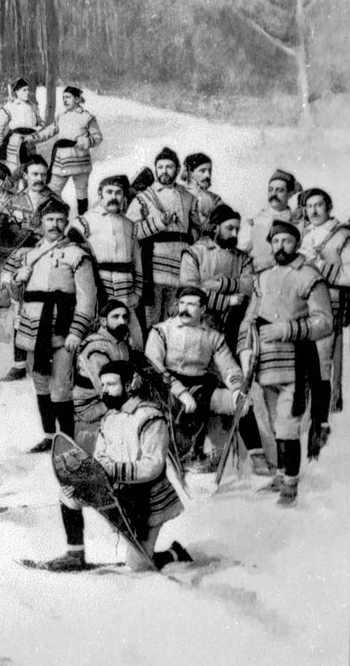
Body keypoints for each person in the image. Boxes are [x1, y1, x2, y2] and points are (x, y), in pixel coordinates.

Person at [39, 359, 187, 573]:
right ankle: (74, 555)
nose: (105, 390)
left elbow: (152, 466)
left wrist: (113, 470)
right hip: (116, 492)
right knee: (68, 495)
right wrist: (82, 482)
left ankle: (174, 553)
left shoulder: (151, 417)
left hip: (147, 499)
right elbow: (100, 458)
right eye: (103, 385)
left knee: (138, 567)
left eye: (111, 384)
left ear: (128, 385)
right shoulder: (109, 418)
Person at [238, 221, 333, 505]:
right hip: (266, 362)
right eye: (276, 241)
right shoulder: (262, 277)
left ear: (297, 243)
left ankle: (291, 484)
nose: (280, 246)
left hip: (296, 362)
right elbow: (249, 319)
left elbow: (324, 322)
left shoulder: (309, 276)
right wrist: (245, 350)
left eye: (287, 241)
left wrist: (286, 330)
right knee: (272, 422)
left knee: (288, 424)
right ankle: (280, 475)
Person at [4, 195, 98, 452]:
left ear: (66, 222)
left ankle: (67, 441)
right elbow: (17, 298)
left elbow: (87, 299)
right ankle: (48, 435)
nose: (54, 224)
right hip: (33, 330)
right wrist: (17, 280)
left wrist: (76, 331)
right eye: (49, 219)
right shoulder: (30, 256)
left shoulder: (77, 255)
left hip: (62, 329)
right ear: (41, 222)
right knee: (40, 383)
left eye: (59, 219)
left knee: (60, 388)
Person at [145, 286, 264, 472]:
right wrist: (181, 393)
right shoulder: (161, 331)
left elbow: (229, 368)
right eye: (182, 303)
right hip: (167, 390)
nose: (184, 309)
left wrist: (236, 390)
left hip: (201, 388)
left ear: (203, 309)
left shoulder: (213, 337)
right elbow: (155, 368)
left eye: (192, 305)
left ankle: (258, 457)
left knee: (242, 403)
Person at [129, 147, 200, 326]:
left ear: (177, 169)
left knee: (172, 323)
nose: (164, 171)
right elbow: (131, 231)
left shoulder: (189, 198)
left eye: (169, 167)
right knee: (151, 322)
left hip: (179, 268)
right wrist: (159, 223)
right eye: (160, 167)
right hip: (152, 268)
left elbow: (196, 229)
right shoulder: (144, 198)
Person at [69, 175, 143, 345]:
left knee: (135, 341)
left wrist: (138, 292)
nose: (113, 197)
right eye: (109, 192)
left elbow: (137, 261)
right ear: (100, 194)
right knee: (98, 340)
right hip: (100, 289)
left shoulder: (130, 225)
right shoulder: (85, 221)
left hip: (126, 293)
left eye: (118, 193)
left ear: (124, 196)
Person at [300, 188, 349, 413]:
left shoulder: (342, 236)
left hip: (331, 307)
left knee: (324, 364)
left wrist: (319, 265)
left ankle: (323, 418)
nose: (314, 211)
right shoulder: (304, 234)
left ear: (328, 207)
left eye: (318, 205)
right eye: (309, 206)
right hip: (304, 308)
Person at [178, 205, 254, 347]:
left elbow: (249, 285)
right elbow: (189, 291)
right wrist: (227, 300)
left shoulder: (243, 258)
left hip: (232, 325)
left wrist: (219, 284)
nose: (234, 234)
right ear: (215, 228)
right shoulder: (194, 253)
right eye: (230, 228)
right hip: (199, 324)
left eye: (237, 229)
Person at [71, 301, 135, 445]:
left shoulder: (121, 343)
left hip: (113, 397)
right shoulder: (96, 347)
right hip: (92, 406)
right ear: (103, 321)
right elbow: (106, 390)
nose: (122, 321)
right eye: (116, 317)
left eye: (125, 317)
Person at [37, 85, 103, 214]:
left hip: (80, 160)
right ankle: (53, 216)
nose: (65, 100)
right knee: (52, 190)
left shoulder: (86, 117)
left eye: (68, 97)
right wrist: (32, 138)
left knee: (81, 193)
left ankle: (82, 219)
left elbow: (98, 137)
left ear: (77, 99)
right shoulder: (61, 117)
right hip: (61, 160)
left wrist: (86, 141)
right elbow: (48, 132)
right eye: (63, 98)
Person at [242, 169, 303, 272]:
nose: (273, 194)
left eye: (280, 190)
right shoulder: (255, 220)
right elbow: (242, 250)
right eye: (270, 190)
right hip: (255, 274)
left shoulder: (296, 222)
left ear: (290, 194)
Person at [0, 77, 42, 179]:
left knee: (30, 173)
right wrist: (0, 145)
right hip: (13, 145)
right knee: (14, 173)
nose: (27, 92)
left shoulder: (33, 107)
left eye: (28, 90)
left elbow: (40, 124)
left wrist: (36, 133)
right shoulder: (10, 106)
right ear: (17, 92)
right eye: (24, 90)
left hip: (29, 144)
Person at [181, 153, 221, 235]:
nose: (208, 175)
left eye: (209, 171)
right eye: (202, 171)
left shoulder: (215, 199)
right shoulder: (179, 195)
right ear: (190, 173)